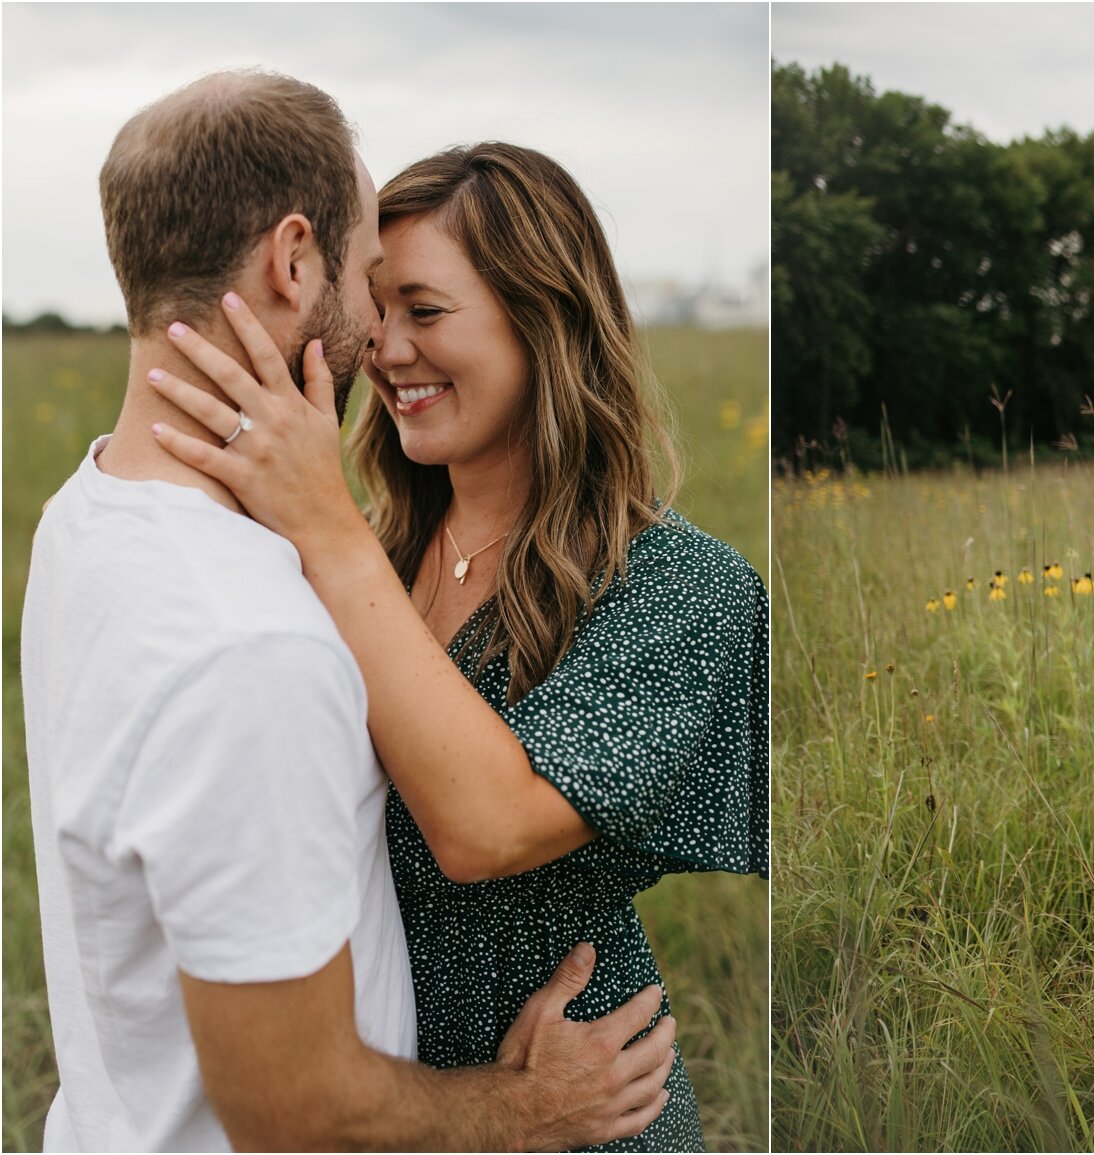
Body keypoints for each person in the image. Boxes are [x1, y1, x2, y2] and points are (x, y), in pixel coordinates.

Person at [20, 70, 674, 1151]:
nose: (379, 326)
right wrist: (527, 1108)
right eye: (373, 278)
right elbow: (296, 1114)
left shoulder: (86, 511)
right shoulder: (253, 645)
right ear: (291, 261)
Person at [144, 141, 769, 1149]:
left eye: (425, 312)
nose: (385, 350)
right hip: (372, 1110)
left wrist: (324, 530)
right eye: (375, 307)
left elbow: (484, 828)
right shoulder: (376, 554)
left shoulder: (685, 589)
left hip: (575, 1106)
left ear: (546, 322)